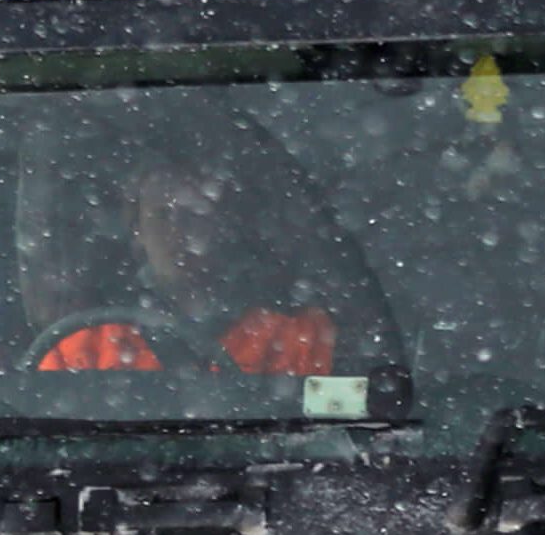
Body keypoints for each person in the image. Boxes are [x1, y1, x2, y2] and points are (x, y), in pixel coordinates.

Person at [31, 155, 341, 378]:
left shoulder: (295, 336)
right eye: (162, 216)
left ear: (222, 226)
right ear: (137, 232)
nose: (178, 232)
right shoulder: (84, 344)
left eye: (194, 215)